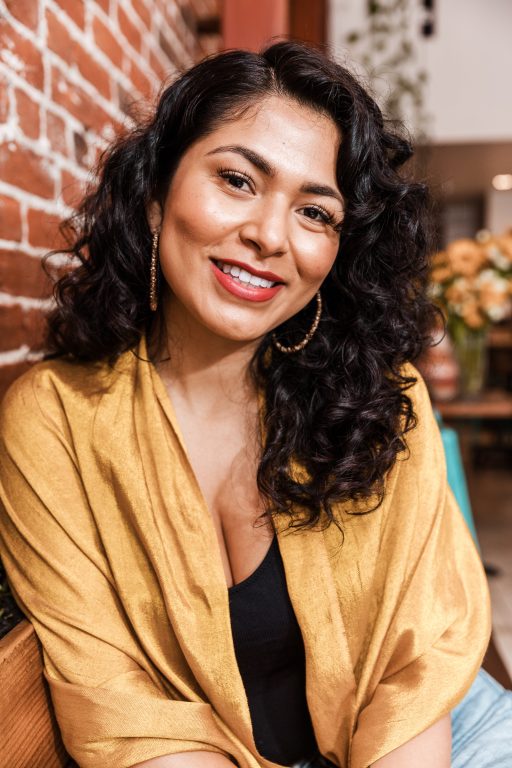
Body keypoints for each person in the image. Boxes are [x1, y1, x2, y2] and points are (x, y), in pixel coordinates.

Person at [0, 41, 510, 768]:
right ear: (155, 195)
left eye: (315, 212)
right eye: (238, 180)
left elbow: (417, 665)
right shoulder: (56, 422)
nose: (271, 236)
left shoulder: (380, 397)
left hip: (439, 739)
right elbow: (119, 708)